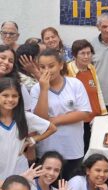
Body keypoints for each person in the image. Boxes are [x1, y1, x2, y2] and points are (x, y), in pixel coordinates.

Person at [31, 48, 91, 180]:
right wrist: (44, 90)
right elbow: (39, 119)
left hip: (72, 148)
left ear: (61, 65)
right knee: (49, 186)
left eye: (51, 66)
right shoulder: (37, 89)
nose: (47, 70)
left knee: (71, 186)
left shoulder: (75, 84)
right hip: (47, 149)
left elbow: (84, 113)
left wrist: (54, 121)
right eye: (42, 67)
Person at [0, 76, 56, 181]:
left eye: (14, 96)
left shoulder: (25, 117)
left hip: (20, 173)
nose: (10, 99)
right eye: (5, 95)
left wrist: (33, 139)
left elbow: (52, 128)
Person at [67, 39, 107, 153]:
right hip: (79, 121)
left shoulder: (91, 68)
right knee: (80, 151)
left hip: (95, 118)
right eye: (82, 53)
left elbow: (98, 91)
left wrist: (102, 114)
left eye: (89, 53)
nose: (86, 56)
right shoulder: (67, 70)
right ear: (74, 55)